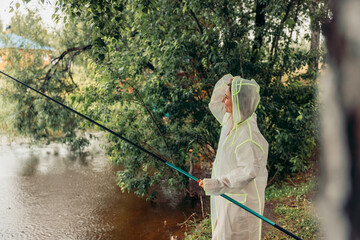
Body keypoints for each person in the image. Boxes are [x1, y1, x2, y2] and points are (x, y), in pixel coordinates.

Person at [199, 74, 268, 240]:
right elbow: (214, 103)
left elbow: (248, 171)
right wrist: (229, 81)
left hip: (240, 204)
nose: (223, 101)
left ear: (237, 101)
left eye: (227, 97)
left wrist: (217, 183)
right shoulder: (231, 119)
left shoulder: (248, 134)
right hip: (229, 196)